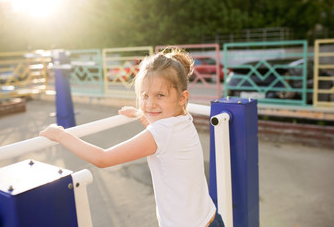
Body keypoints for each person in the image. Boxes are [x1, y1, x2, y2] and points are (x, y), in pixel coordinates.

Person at [39, 47, 224, 227]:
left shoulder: (162, 132)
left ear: (182, 98)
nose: (150, 104)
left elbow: (103, 158)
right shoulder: (182, 119)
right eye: (145, 95)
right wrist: (141, 115)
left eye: (160, 95)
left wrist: (61, 135)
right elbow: (161, 137)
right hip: (211, 217)